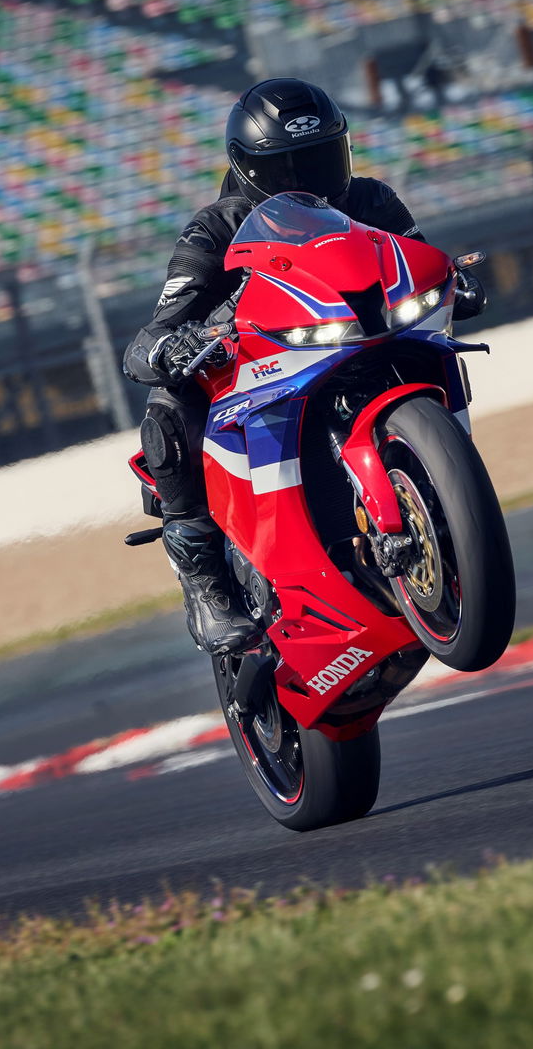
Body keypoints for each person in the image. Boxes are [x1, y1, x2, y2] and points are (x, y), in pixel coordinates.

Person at [122, 77, 485, 654]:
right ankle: (203, 576)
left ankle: (437, 508)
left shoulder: (372, 201)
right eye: (288, 169)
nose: (308, 181)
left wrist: (454, 281)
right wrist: (169, 346)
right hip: (260, 363)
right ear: (249, 169)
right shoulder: (215, 227)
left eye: (319, 159)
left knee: (432, 347)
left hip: (361, 341)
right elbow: (158, 329)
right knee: (169, 405)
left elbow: (417, 254)